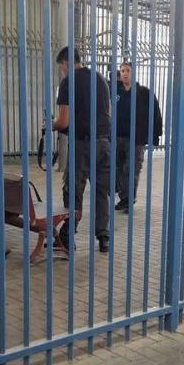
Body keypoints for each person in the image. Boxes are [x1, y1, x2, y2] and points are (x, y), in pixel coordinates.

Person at [53, 47, 111, 253]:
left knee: (73, 189)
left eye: (61, 67)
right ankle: (104, 237)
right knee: (101, 191)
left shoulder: (68, 82)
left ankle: (68, 236)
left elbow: (63, 121)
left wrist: (51, 125)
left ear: (65, 63)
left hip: (82, 145)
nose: (62, 71)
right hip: (104, 144)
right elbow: (107, 112)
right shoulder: (100, 79)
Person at [115, 62, 163, 212]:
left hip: (135, 139)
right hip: (116, 137)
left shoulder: (144, 93)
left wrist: (155, 136)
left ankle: (129, 199)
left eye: (128, 70)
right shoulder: (115, 92)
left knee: (131, 169)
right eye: (122, 70)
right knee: (118, 169)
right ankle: (124, 197)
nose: (125, 73)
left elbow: (155, 114)